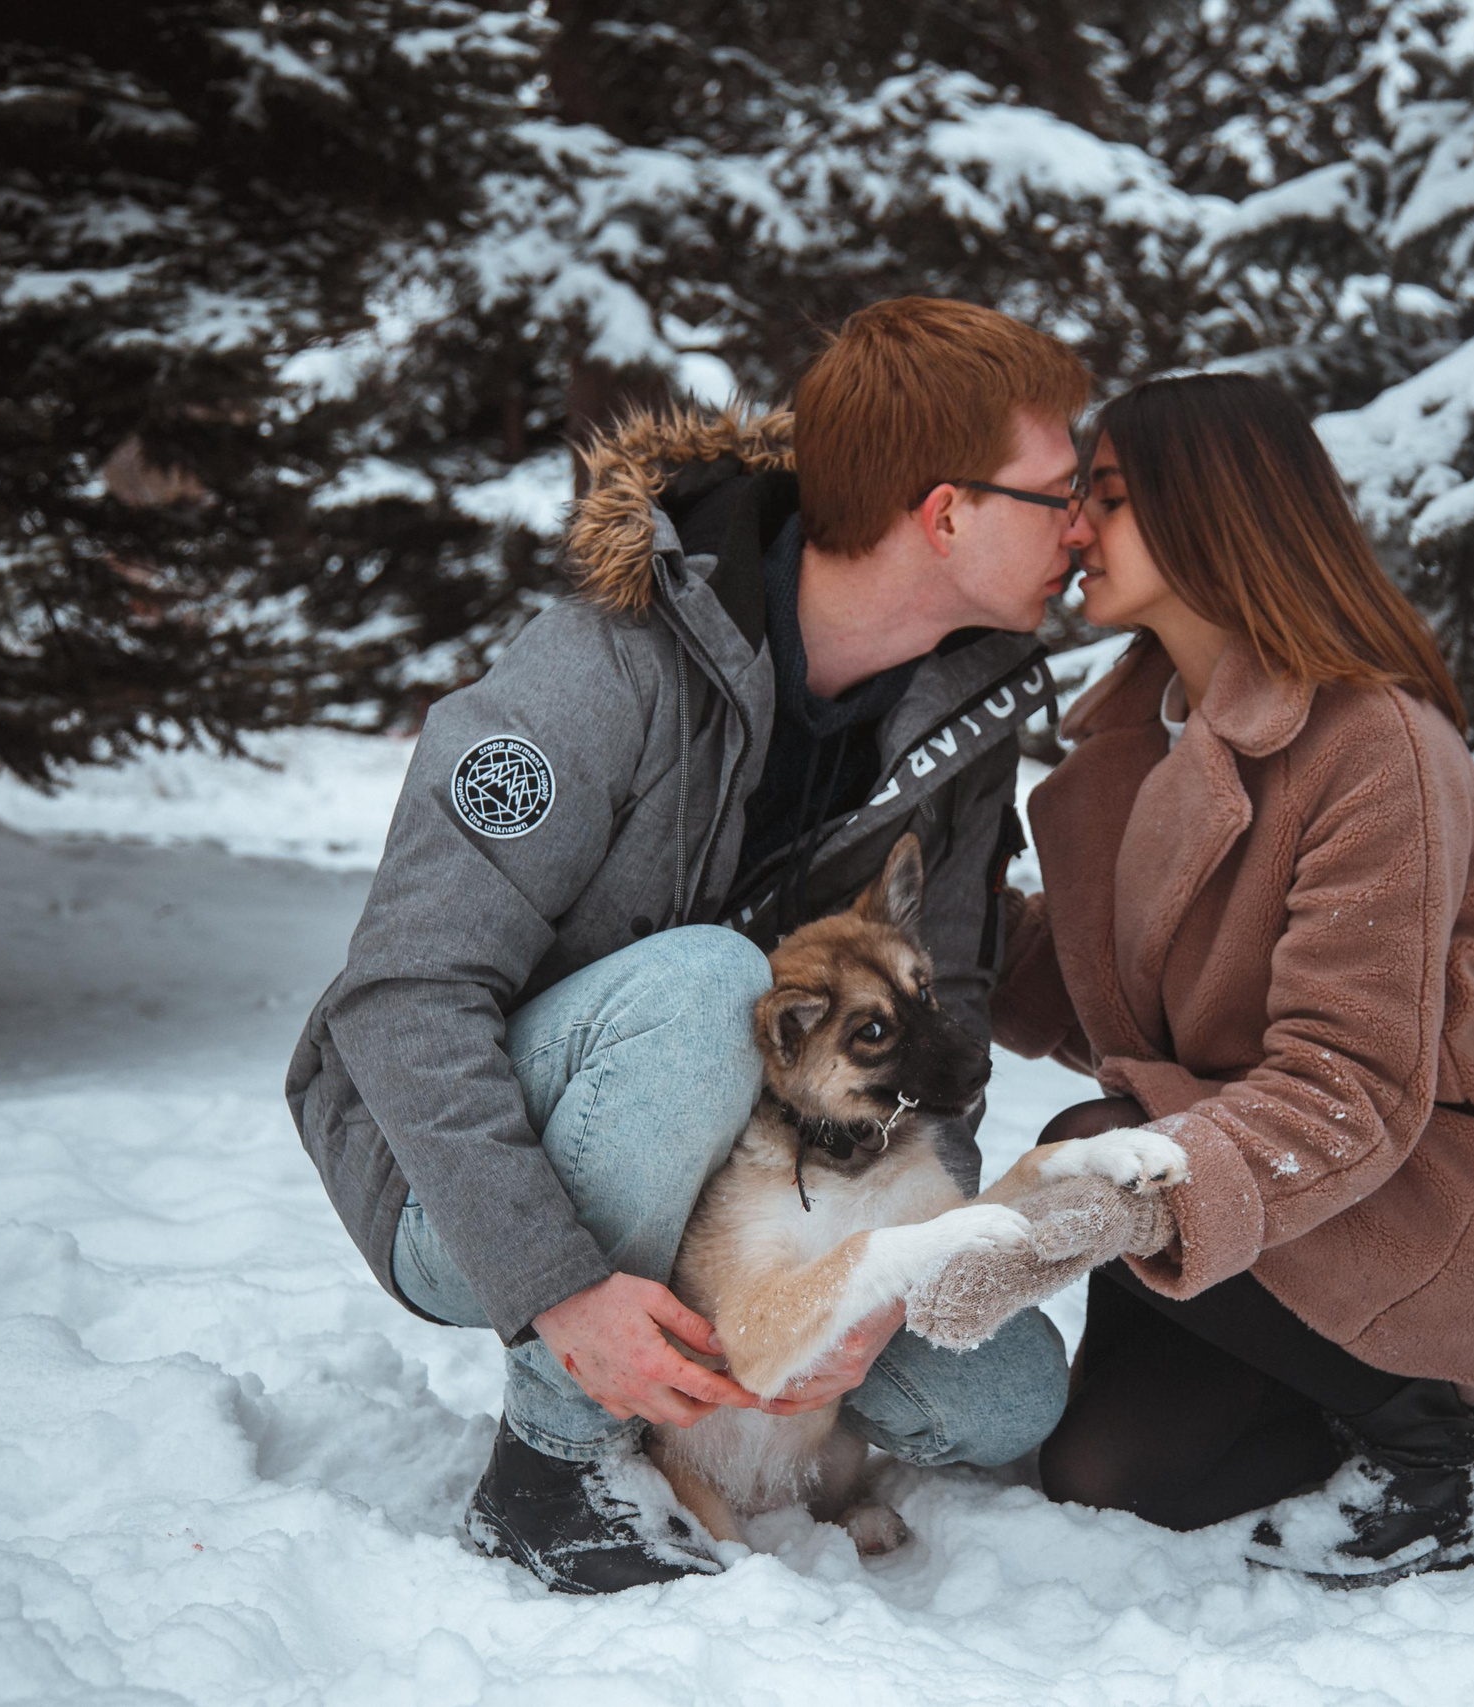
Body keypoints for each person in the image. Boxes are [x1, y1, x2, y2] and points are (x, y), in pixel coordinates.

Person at [286, 298, 1094, 1594]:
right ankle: (554, 1464)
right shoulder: (606, 665)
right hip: (460, 1179)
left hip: (744, 1178)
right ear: (945, 513)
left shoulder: (963, 703)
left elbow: (944, 1027)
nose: (1084, 527)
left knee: (1000, 1393)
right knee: (710, 982)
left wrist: (885, 1274)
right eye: (1058, 493)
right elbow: (400, 996)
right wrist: (557, 1286)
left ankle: (688, 1396)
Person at [991, 372, 1474, 1586]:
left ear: (1214, 512)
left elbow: (1352, 1089)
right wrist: (929, 944)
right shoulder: (1142, 753)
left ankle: (1449, 1442)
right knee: (1109, 1477)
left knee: (1106, 1147)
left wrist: (1104, 1190)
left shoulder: (1370, 743)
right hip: (1306, 1190)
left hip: (1466, 1191)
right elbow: (1130, 1007)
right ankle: (1376, 1402)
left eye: (1109, 496)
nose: (1072, 525)